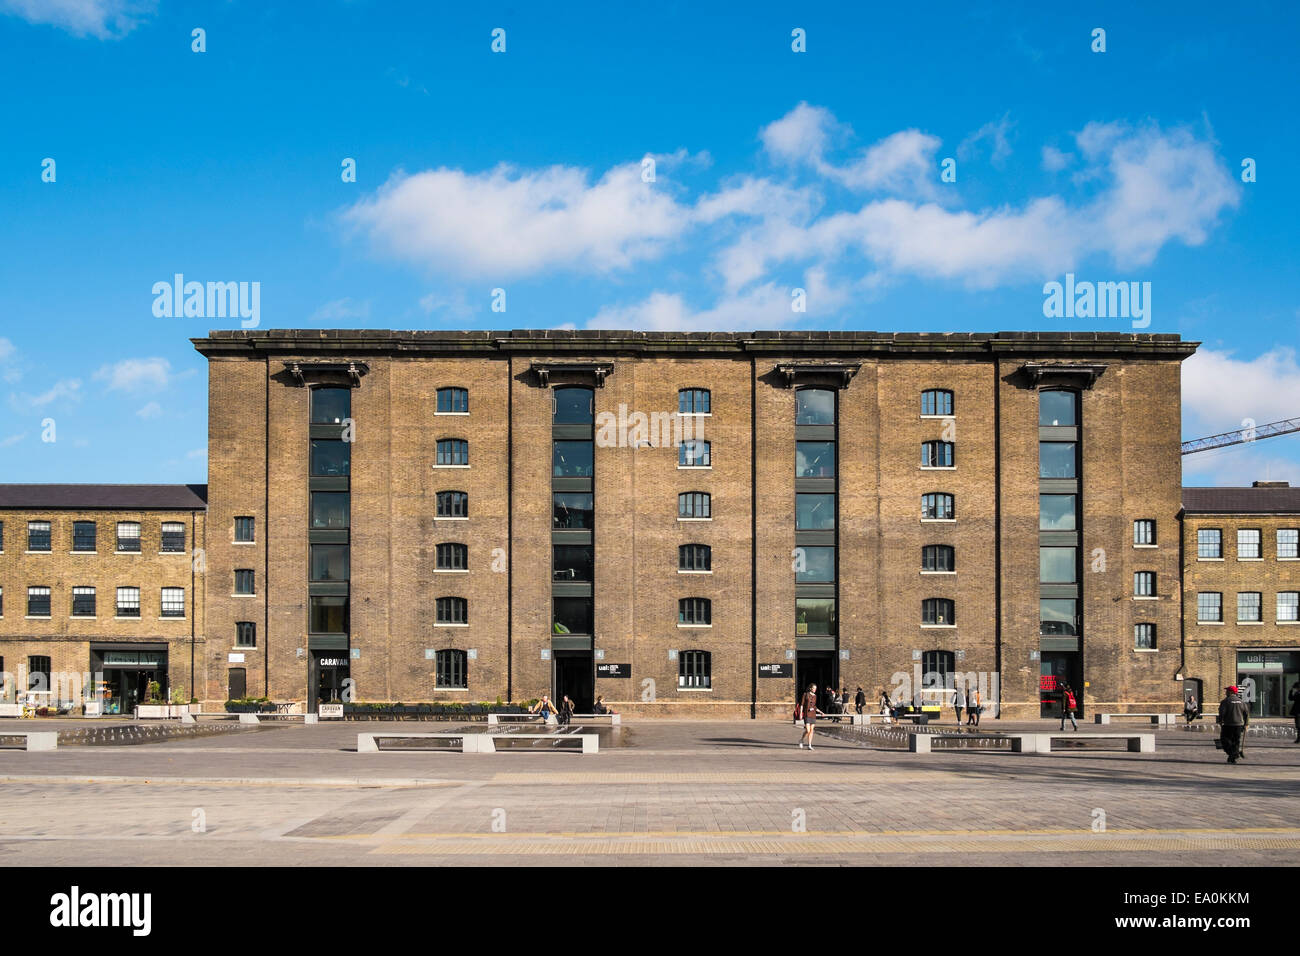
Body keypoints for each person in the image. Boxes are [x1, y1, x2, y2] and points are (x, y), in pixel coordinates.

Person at [1216, 685, 1250, 764]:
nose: (1226, 692)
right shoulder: (1241, 702)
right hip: (1239, 725)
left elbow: (1222, 713)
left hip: (1228, 724)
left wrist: (1220, 721)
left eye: (1227, 691)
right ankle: (1233, 757)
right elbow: (1246, 713)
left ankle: (1234, 754)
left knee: (1224, 740)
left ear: (1231, 692)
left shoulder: (1225, 701)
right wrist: (1246, 724)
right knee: (1236, 741)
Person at [799, 683, 822, 750]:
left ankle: (809, 745)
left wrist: (820, 712)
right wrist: (801, 713)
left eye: (816, 688)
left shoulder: (815, 696)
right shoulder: (805, 694)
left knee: (812, 730)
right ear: (810, 688)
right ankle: (801, 740)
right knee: (808, 730)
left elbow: (814, 706)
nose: (815, 690)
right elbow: (802, 705)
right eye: (814, 688)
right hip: (806, 714)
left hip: (813, 714)